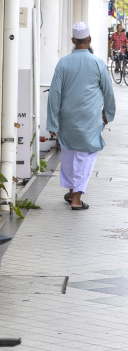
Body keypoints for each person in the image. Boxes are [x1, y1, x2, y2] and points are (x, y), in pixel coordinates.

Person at [47, 22, 116, 211]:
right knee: (86, 156)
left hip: (67, 117)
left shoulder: (63, 63)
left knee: (69, 153)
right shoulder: (98, 63)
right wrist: (107, 113)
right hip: (90, 117)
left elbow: (55, 94)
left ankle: (71, 193)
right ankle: (77, 199)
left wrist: (52, 122)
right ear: (90, 40)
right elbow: (108, 92)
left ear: (73, 41)